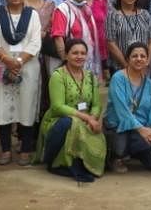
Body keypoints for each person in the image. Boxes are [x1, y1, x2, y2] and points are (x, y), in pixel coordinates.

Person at [0, 0, 42, 167]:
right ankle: (5, 150)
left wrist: (18, 61)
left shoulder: (32, 14)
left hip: (27, 66)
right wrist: (7, 60)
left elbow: (35, 42)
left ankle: (25, 150)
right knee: (1, 108)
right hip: (0, 65)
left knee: (26, 107)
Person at [38, 38, 106, 182]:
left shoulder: (90, 77)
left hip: (85, 121)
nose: (79, 56)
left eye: (83, 53)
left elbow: (96, 104)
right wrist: (86, 118)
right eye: (75, 53)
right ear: (66, 55)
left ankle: (83, 164)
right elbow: (57, 106)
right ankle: (57, 163)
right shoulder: (58, 76)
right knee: (69, 123)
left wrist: (92, 118)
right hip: (59, 121)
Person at [105, 42, 151, 173]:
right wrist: (142, 130)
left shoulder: (149, 83)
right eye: (134, 56)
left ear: (147, 60)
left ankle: (133, 153)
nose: (139, 59)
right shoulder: (118, 78)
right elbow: (122, 111)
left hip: (141, 128)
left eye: (143, 56)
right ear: (127, 59)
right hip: (119, 126)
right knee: (120, 147)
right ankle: (116, 157)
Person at [50, 0, 103, 79]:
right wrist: (66, 61)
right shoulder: (62, 9)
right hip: (69, 61)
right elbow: (58, 37)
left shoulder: (87, 9)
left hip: (87, 58)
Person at [106, 0, 151, 74]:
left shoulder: (145, 14)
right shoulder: (113, 16)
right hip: (121, 68)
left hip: (143, 68)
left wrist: (147, 62)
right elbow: (111, 43)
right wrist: (126, 65)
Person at [76, 0, 108, 74]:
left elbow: (106, 25)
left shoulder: (101, 0)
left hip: (99, 49)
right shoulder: (73, 1)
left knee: (96, 84)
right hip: (79, 48)